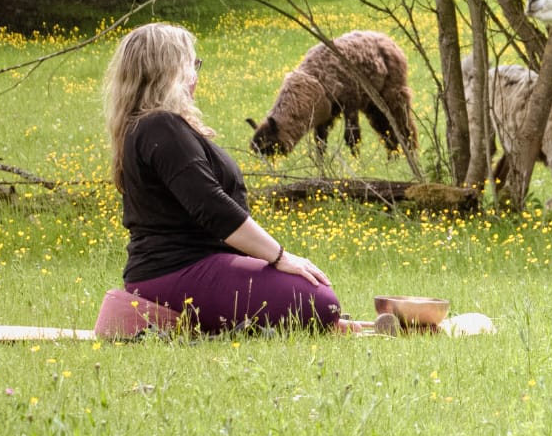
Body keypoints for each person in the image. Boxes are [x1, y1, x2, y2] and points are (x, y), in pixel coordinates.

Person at [105, 22, 382, 335]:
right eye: (191, 65)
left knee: (317, 301)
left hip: (185, 267)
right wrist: (280, 256)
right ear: (169, 71)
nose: (196, 77)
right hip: (175, 270)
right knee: (319, 302)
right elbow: (213, 207)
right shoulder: (160, 127)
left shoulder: (151, 127)